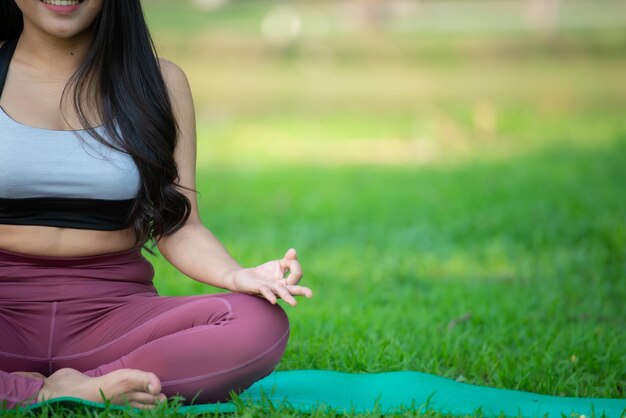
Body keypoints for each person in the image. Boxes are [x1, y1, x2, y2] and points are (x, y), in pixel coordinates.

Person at [0, 0, 313, 410]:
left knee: (259, 323)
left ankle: (95, 384)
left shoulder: (159, 83)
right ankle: (42, 392)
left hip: (112, 317)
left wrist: (239, 276)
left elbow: (180, 226)